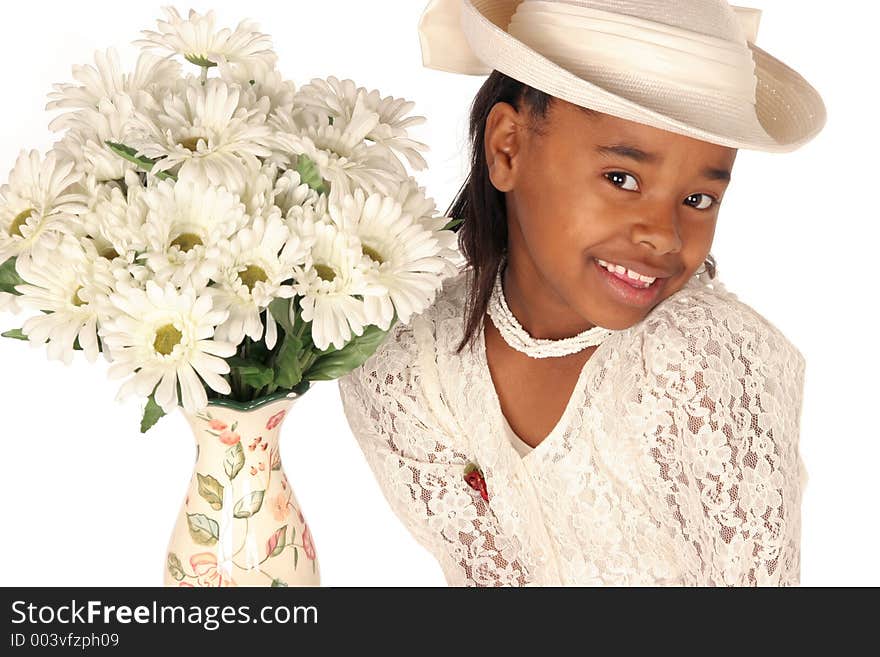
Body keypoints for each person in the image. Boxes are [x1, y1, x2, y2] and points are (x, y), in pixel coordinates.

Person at [337, 0, 825, 586]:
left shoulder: (698, 360)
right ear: (507, 147)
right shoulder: (413, 357)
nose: (663, 235)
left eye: (698, 199)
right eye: (622, 179)